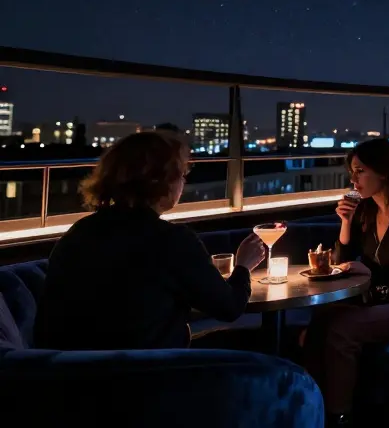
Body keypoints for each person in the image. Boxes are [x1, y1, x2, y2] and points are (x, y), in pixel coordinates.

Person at [34, 132, 265, 350]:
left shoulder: (79, 232)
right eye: (181, 175)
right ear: (161, 181)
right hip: (148, 379)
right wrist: (244, 265)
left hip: (65, 379)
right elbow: (229, 307)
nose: (183, 184)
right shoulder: (171, 240)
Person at [304, 138, 389, 422]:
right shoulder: (367, 210)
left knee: (342, 329)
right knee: (319, 321)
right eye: (352, 172)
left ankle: (338, 415)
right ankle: (310, 407)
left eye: (360, 171)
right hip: (378, 300)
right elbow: (342, 256)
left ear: (384, 172)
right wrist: (345, 222)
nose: (353, 180)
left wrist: (368, 274)